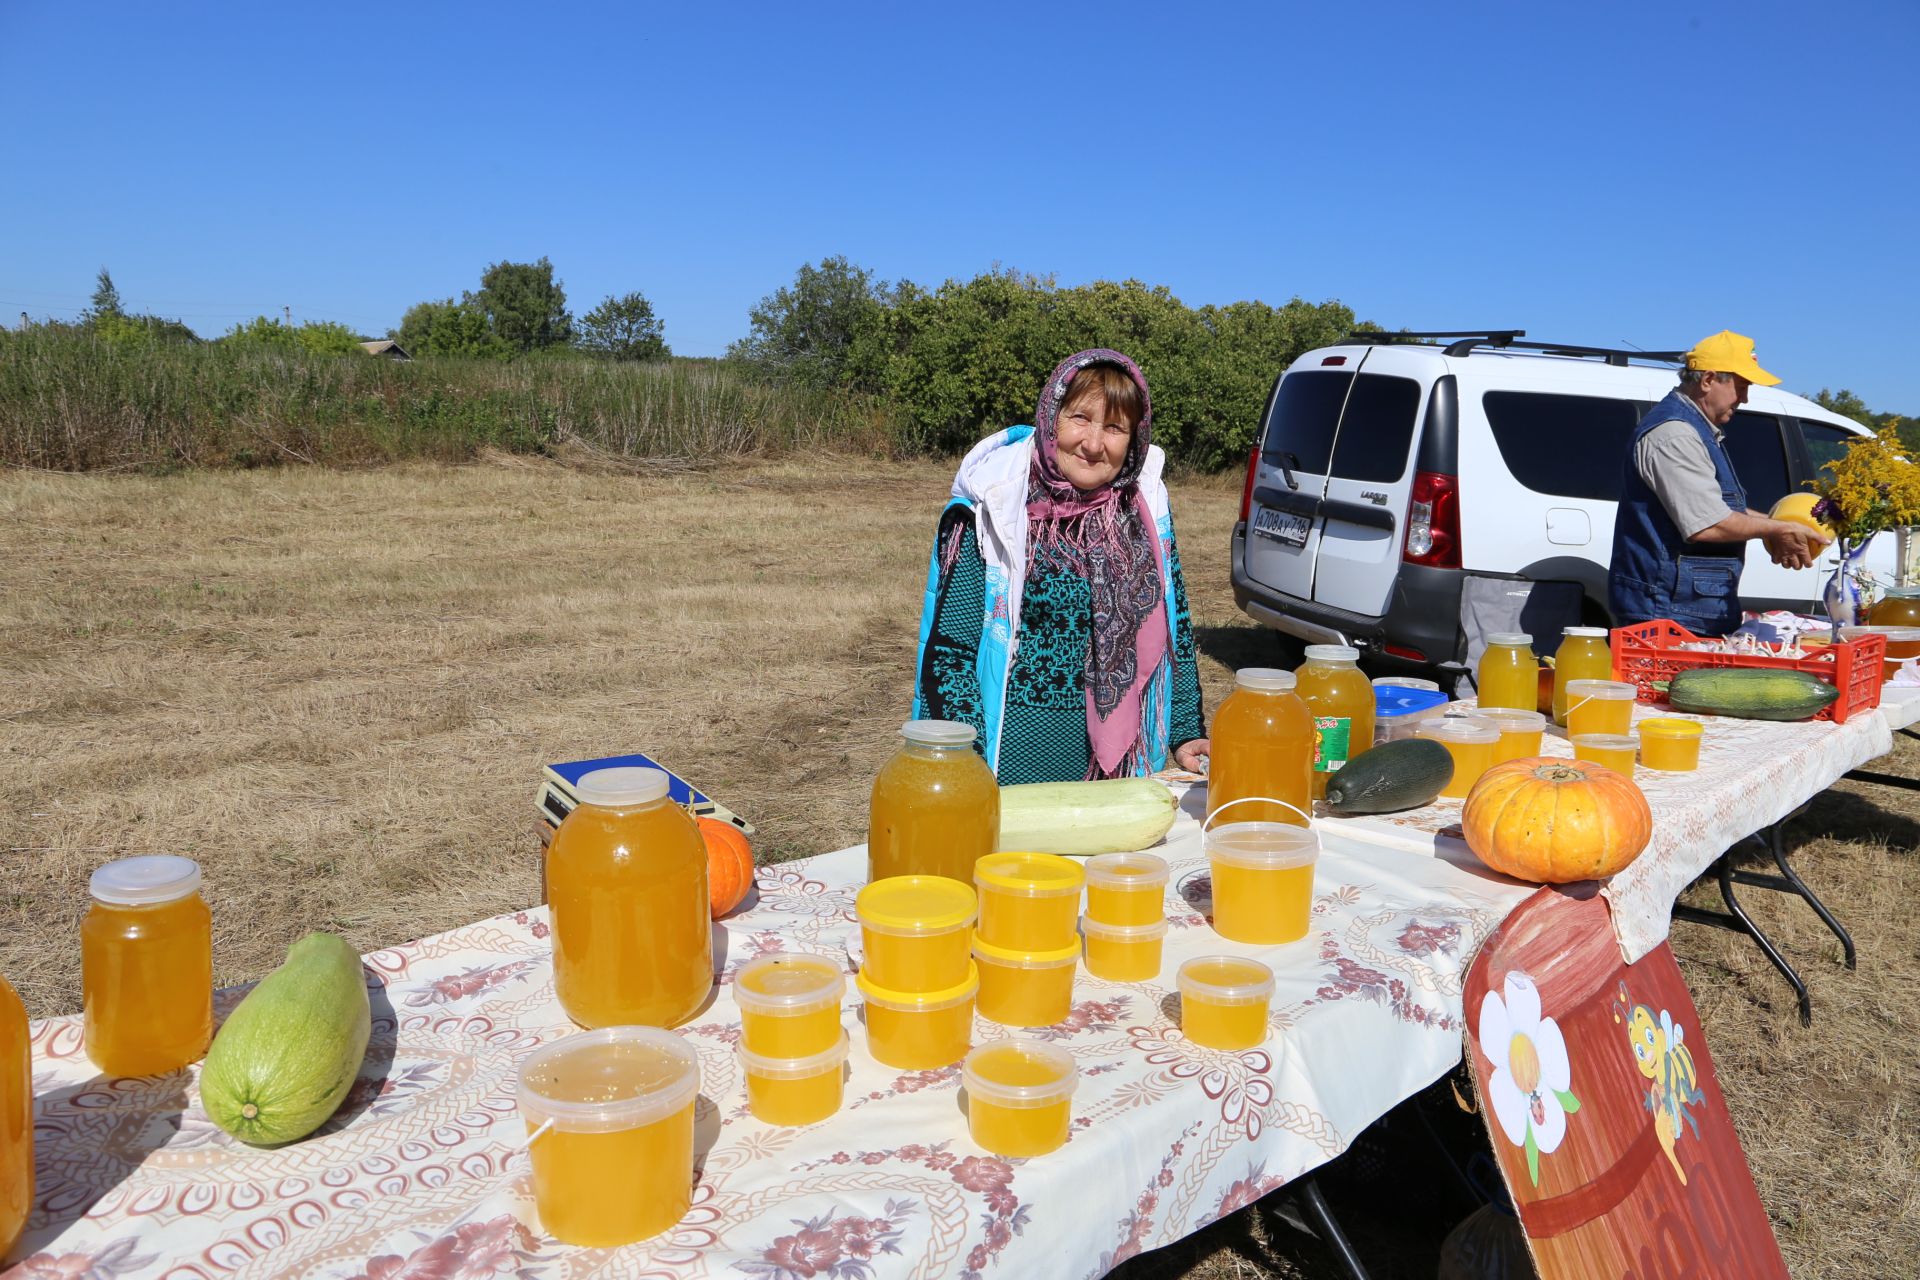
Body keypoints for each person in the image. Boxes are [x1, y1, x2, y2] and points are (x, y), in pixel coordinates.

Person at [911, 349, 1209, 783]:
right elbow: (951, 652)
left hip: (1117, 770)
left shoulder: (1145, 510)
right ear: (1052, 416)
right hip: (1002, 759)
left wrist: (1185, 731)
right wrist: (964, 761)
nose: (1093, 443)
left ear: (1134, 439)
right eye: (1080, 419)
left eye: (1114, 427)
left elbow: (1175, 629)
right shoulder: (990, 505)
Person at [1609, 330, 1829, 635]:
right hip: (1667, 612)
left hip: (1685, 608)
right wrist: (1777, 528)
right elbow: (1707, 524)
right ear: (1708, 379)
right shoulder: (1675, 434)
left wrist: (1781, 524)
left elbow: (1720, 508)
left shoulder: (1696, 428)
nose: (1745, 398)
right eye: (1741, 386)